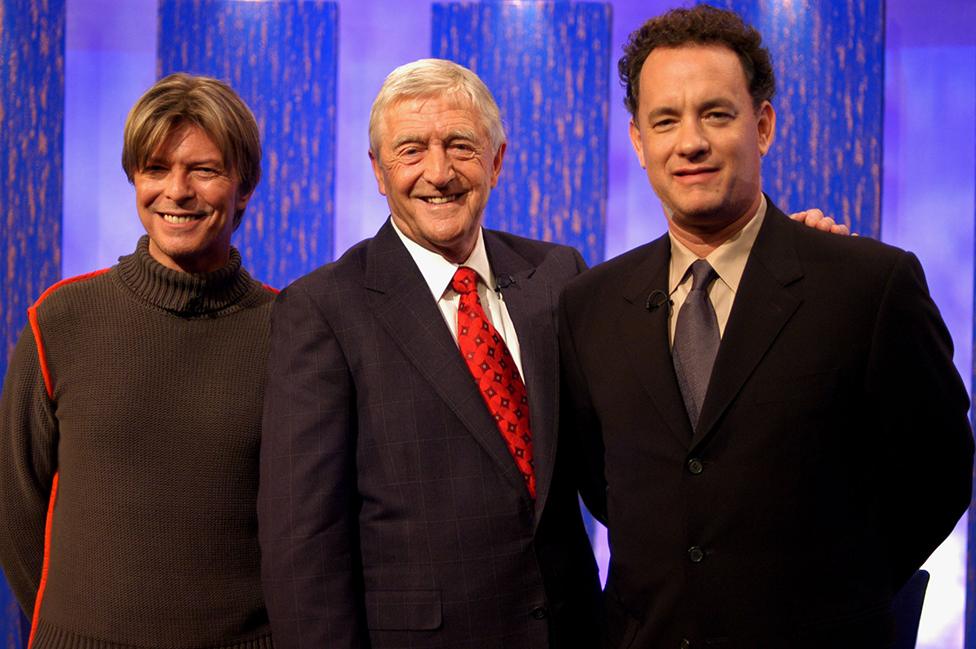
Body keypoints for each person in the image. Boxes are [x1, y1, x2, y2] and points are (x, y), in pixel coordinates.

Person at [558, 6, 974, 649]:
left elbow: (937, 474)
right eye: (665, 120)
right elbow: (604, 484)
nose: (689, 141)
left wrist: (842, 594)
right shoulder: (588, 303)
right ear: (639, 143)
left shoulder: (868, 285)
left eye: (716, 114)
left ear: (763, 125)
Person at [258, 58, 602, 649]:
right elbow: (303, 542)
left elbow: (625, 443)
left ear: (496, 161)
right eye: (411, 150)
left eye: (461, 146)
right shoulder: (323, 309)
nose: (438, 173)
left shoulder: (557, 277)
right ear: (379, 171)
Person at [0, 73, 275, 649]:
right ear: (135, 180)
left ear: (243, 187)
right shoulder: (61, 319)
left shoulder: (292, 329)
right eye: (155, 169)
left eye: (204, 169)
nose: (177, 191)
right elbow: (15, 506)